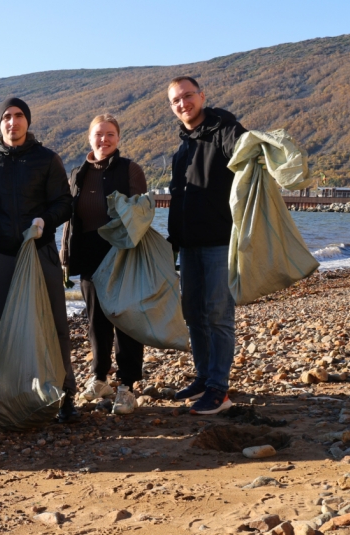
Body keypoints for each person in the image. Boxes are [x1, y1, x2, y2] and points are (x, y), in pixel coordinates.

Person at [0, 97, 78, 422]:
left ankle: (65, 395)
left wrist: (44, 221)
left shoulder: (46, 159)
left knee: (55, 327)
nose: (12, 122)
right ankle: (18, 397)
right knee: (7, 332)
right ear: (0, 123)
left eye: (18, 116)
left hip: (39, 254)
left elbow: (64, 203)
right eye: (7, 117)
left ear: (27, 121)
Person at [166, 76, 246, 415]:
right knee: (194, 315)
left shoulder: (224, 131)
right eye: (176, 100)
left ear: (202, 96)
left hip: (219, 242)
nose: (183, 103)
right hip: (189, 245)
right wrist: (172, 243)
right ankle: (203, 377)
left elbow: (245, 149)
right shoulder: (182, 149)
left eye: (188, 96)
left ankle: (218, 389)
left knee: (218, 315)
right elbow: (176, 198)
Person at [59, 114, 147, 415]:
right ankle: (98, 378)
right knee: (96, 321)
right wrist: (65, 258)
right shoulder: (78, 173)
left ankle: (127, 386)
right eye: (99, 134)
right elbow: (72, 220)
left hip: (121, 254)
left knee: (125, 319)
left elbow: (141, 213)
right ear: (89, 137)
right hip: (87, 254)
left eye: (110, 134)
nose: (104, 140)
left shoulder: (130, 170)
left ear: (118, 138)